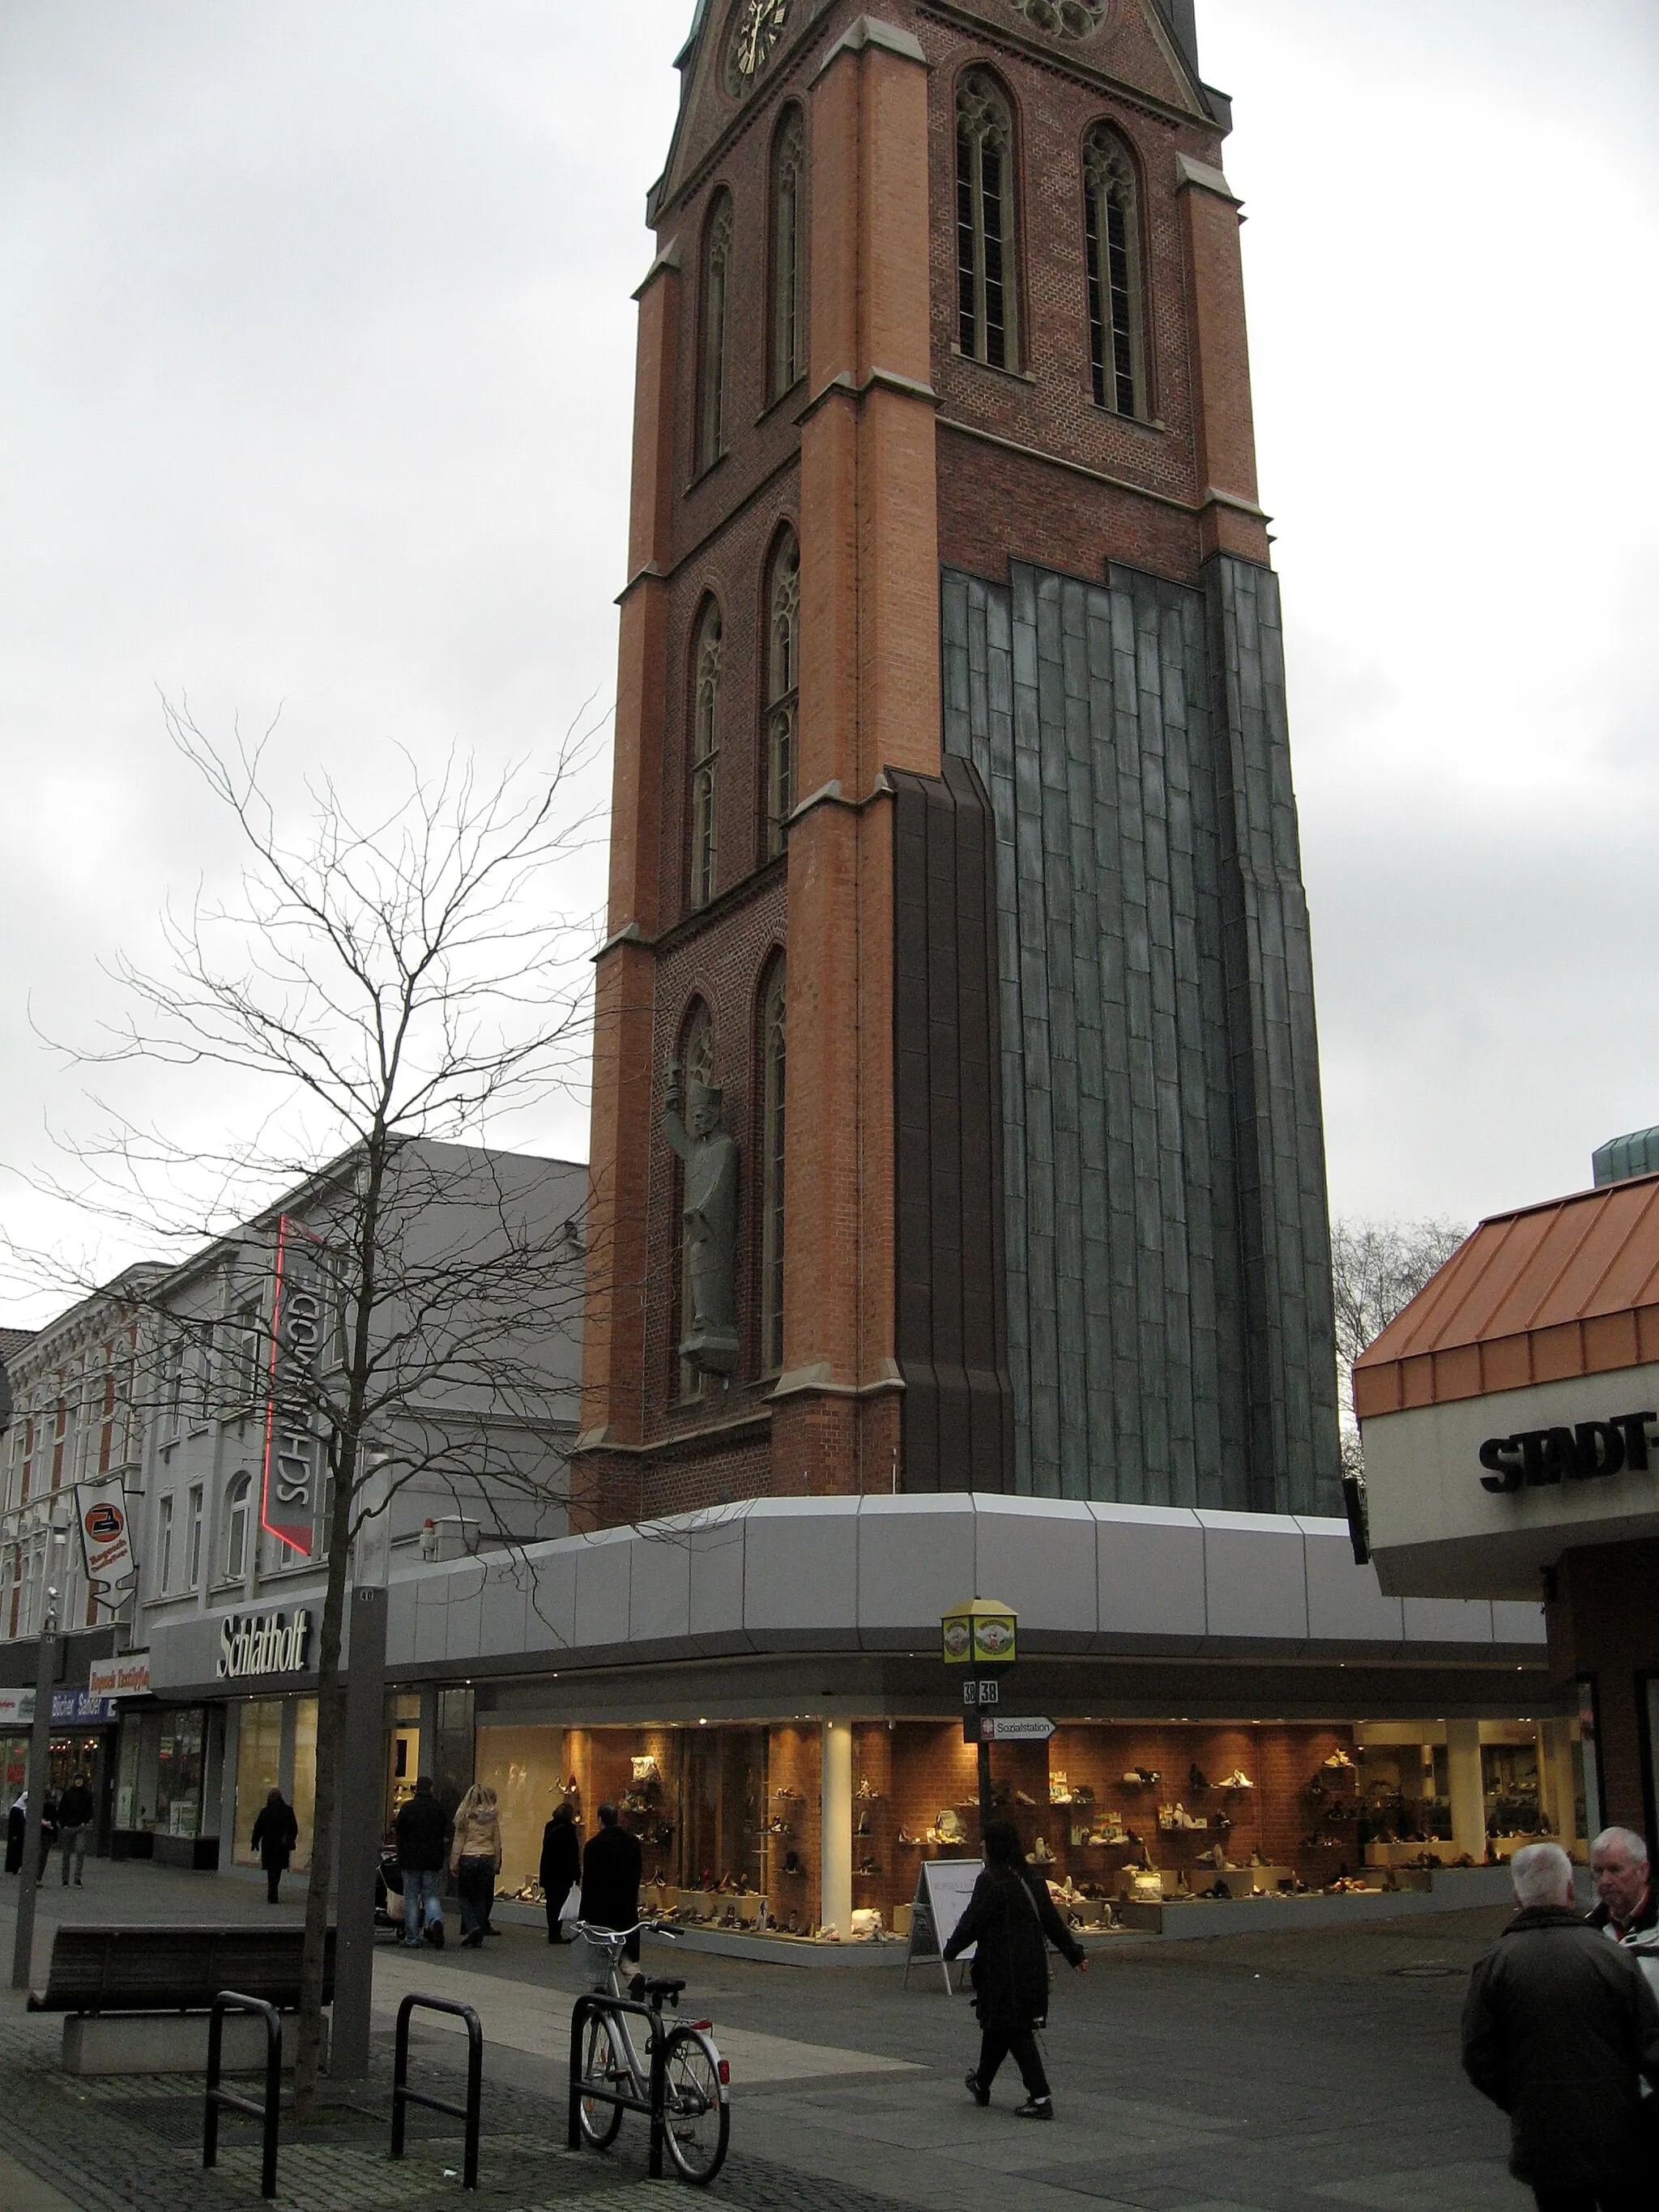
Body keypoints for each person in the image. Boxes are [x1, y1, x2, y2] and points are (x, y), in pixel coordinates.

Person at [1462, 1838, 1659, 2211]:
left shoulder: (1495, 1962)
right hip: (1618, 2132)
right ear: (1570, 1891)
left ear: (1517, 1897)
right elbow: (1648, 2040)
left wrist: (1523, 2098)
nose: (1604, 1880)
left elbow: (1478, 2054)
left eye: (1613, 1870)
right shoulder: (1610, 1955)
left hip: (1543, 2135)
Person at [942, 1818, 1087, 2120]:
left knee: (1015, 2029)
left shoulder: (991, 1880)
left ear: (993, 1846)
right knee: (1000, 2027)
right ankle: (981, 2083)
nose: (981, 1848)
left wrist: (950, 1950)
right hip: (1031, 1966)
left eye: (984, 1844)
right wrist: (1073, 1954)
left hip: (1000, 1969)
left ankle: (1040, 2096)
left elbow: (973, 1920)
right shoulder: (1032, 1878)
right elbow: (1051, 1920)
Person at [581, 1802, 643, 1962]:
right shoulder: (633, 1843)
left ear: (600, 1820)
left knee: (602, 1950)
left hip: (601, 1909)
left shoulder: (593, 1846)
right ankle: (632, 1975)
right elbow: (637, 1874)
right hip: (626, 1907)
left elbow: (588, 1883)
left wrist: (584, 1915)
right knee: (626, 1948)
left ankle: (604, 1984)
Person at [394, 1775, 450, 1950]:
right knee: (430, 1895)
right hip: (432, 1860)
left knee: (411, 1897)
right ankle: (435, 1920)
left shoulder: (408, 1808)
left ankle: (412, 1937)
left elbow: (399, 1831)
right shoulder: (438, 1809)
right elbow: (446, 1833)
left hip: (410, 1860)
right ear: (431, 1789)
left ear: (417, 1789)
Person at [449, 1782, 502, 1948]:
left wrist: (454, 1862)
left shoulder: (465, 1816)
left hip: (469, 1857)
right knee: (480, 1897)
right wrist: (497, 1861)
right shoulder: (492, 1817)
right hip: (487, 1857)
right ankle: (479, 1931)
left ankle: (472, 1926)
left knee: (464, 1896)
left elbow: (458, 1842)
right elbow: (496, 1841)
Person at [1589, 1827, 1657, 1942]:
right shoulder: (1589, 1928)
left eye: (1615, 1870)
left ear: (1643, 1871)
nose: (1605, 1880)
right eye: (1598, 1871)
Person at [541, 1799, 582, 1944]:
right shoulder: (569, 1830)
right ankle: (556, 1933)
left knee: (551, 1903)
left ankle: (552, 1931)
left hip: (549, 1870)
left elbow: (545, 1850)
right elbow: (573, 1854)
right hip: (563, 1873)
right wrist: (577, 1875)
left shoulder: (549, 1827)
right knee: (559, 1903)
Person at [249, 1787, 299, 1904]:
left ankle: (272, 1891)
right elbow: (293, 1828)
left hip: (270, 1846)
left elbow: (258, 1828)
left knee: (272, 1870)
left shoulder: (266, 1812)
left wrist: (255, 1842)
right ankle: (273, 1891)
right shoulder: (286, 1811)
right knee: (276, 1870)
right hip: (279, 1846)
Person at [57, 1772, 95, 1886]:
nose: (78, 1782)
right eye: (77, 1780)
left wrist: (85, 1822)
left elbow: (90, 1810)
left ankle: (77, 1878)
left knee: (80, 1851)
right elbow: (62, 1809)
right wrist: (64, 1824)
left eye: (80, 1780)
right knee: (66, 1854)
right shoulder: (68, 1794)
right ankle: (65, 1879)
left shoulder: (87, 1795)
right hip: (69, 1826)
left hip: (80, 1827)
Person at [5, 1792, 25, 1876]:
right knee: (15, 1851)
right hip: (16, 1834)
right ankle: (14, 1867)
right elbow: (13, 1823)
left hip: (22, 1833)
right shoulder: (15, 1809)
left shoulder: (24, 1809)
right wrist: (14, 1834)